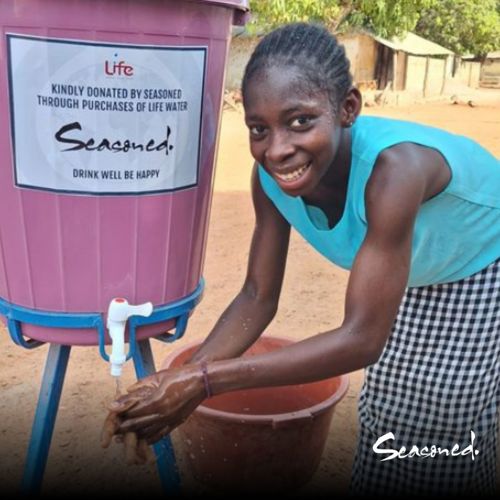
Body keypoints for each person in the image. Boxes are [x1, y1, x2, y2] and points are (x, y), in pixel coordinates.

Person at [101, 23, 500, 496]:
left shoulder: (396, 171)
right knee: (390, 410)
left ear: (347, 108)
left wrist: (203, 382)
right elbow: (257, 296)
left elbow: (361, 339)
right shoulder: (270, 177)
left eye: (300, 121)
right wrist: (173, 382)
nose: (278, 149)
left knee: (443, 416)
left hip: (483, 263)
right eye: (258, 128)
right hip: (418, 263)